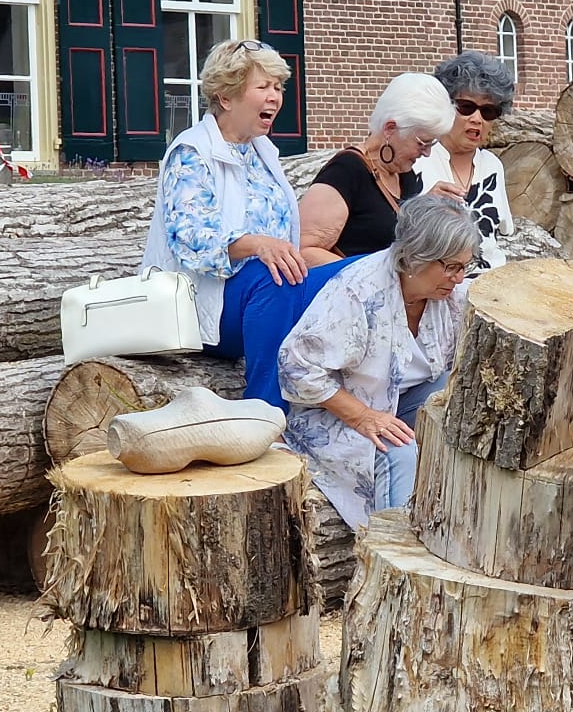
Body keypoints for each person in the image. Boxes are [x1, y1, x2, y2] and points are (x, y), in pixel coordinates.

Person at [278, 195, 478, 530]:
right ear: (416, 256)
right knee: (399, 450)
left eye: (464, 267)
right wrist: (364, 417)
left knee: (458, 396)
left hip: (400, 403)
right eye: (451, 267)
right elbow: (296, 366)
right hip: (337, 414)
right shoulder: (359, 291)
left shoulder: (449, 296)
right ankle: (398, 551)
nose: (459, 278)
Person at [139, 37, 308, 409]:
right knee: (274, 278)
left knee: (354, 273)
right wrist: (257, 244)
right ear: (226, 97)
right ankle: (264, 415)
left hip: (263, 300)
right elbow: (190, 239)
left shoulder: (262, 151)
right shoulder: (192, 151)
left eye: (278, 87)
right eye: (263, 87)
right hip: (205, 309)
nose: (275, 97)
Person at [299, 73, 457, 266]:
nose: (427, 153)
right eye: (422, 143)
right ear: (390, 129)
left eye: (432, 144)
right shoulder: (346, 171)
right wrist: (367, 276)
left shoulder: (405, 175)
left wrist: (425, 208)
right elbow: (304, 251)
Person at [414, 51, 516, 273]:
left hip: (491, 282)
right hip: (435, 283)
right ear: (445, 106)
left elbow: (503, 231)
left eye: (488, 111)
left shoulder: (493, 166)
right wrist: (423, 206)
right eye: (466, 107)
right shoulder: (416, 160)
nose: (477, 119)